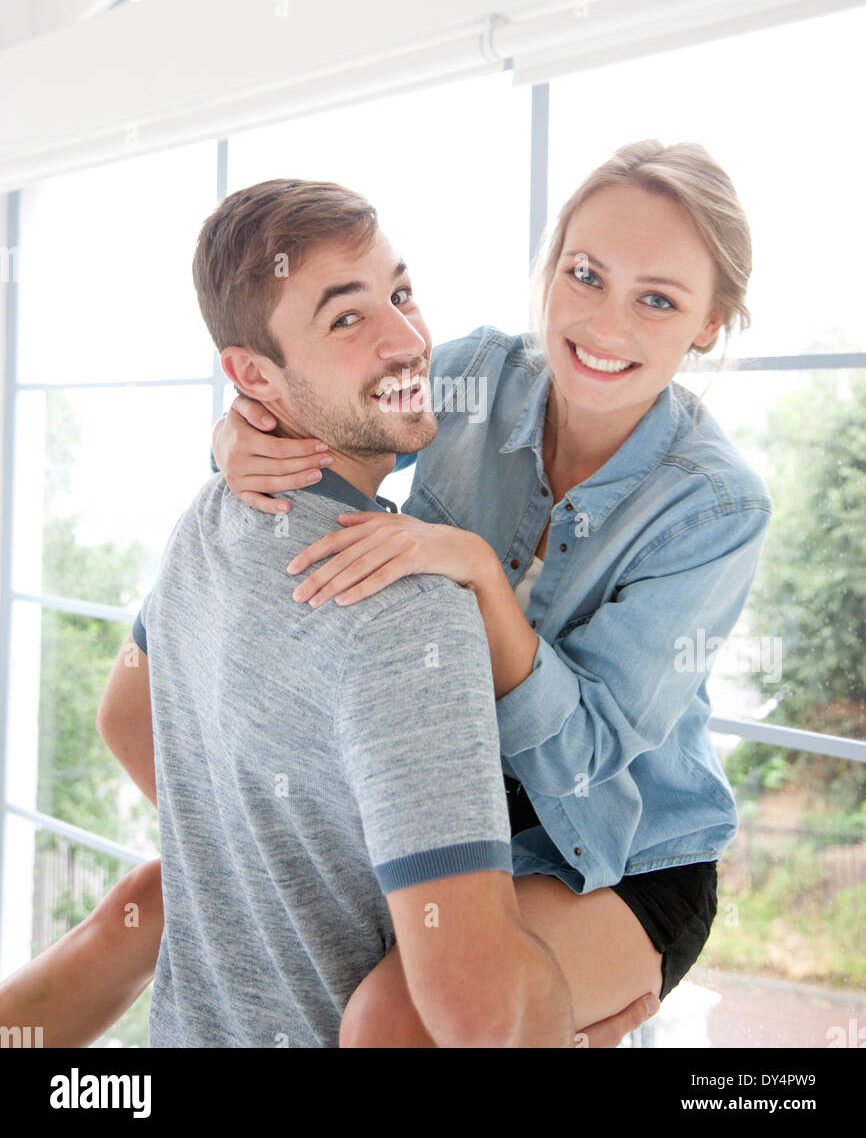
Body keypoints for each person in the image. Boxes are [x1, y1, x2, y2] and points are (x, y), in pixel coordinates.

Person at [0, 175, 658, 1049]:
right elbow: (484, 1014)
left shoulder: (212, 517)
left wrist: (254, 869)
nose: (407, 339)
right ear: (252, 376)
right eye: (346, 319)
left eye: (401, 292)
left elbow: (125, 718)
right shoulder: (411, 614)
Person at [213, 139, 773, 1043]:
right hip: (457, 807)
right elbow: (332, 407)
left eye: (658, 299)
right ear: (550, 269)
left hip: (623, 849)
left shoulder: (716, 506)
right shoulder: (474, 372)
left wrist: (478, 570)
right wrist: (238, 434)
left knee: (392, 1026)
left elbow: (589, 755)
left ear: (709, 323)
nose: (603, 325)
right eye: (585, 274)